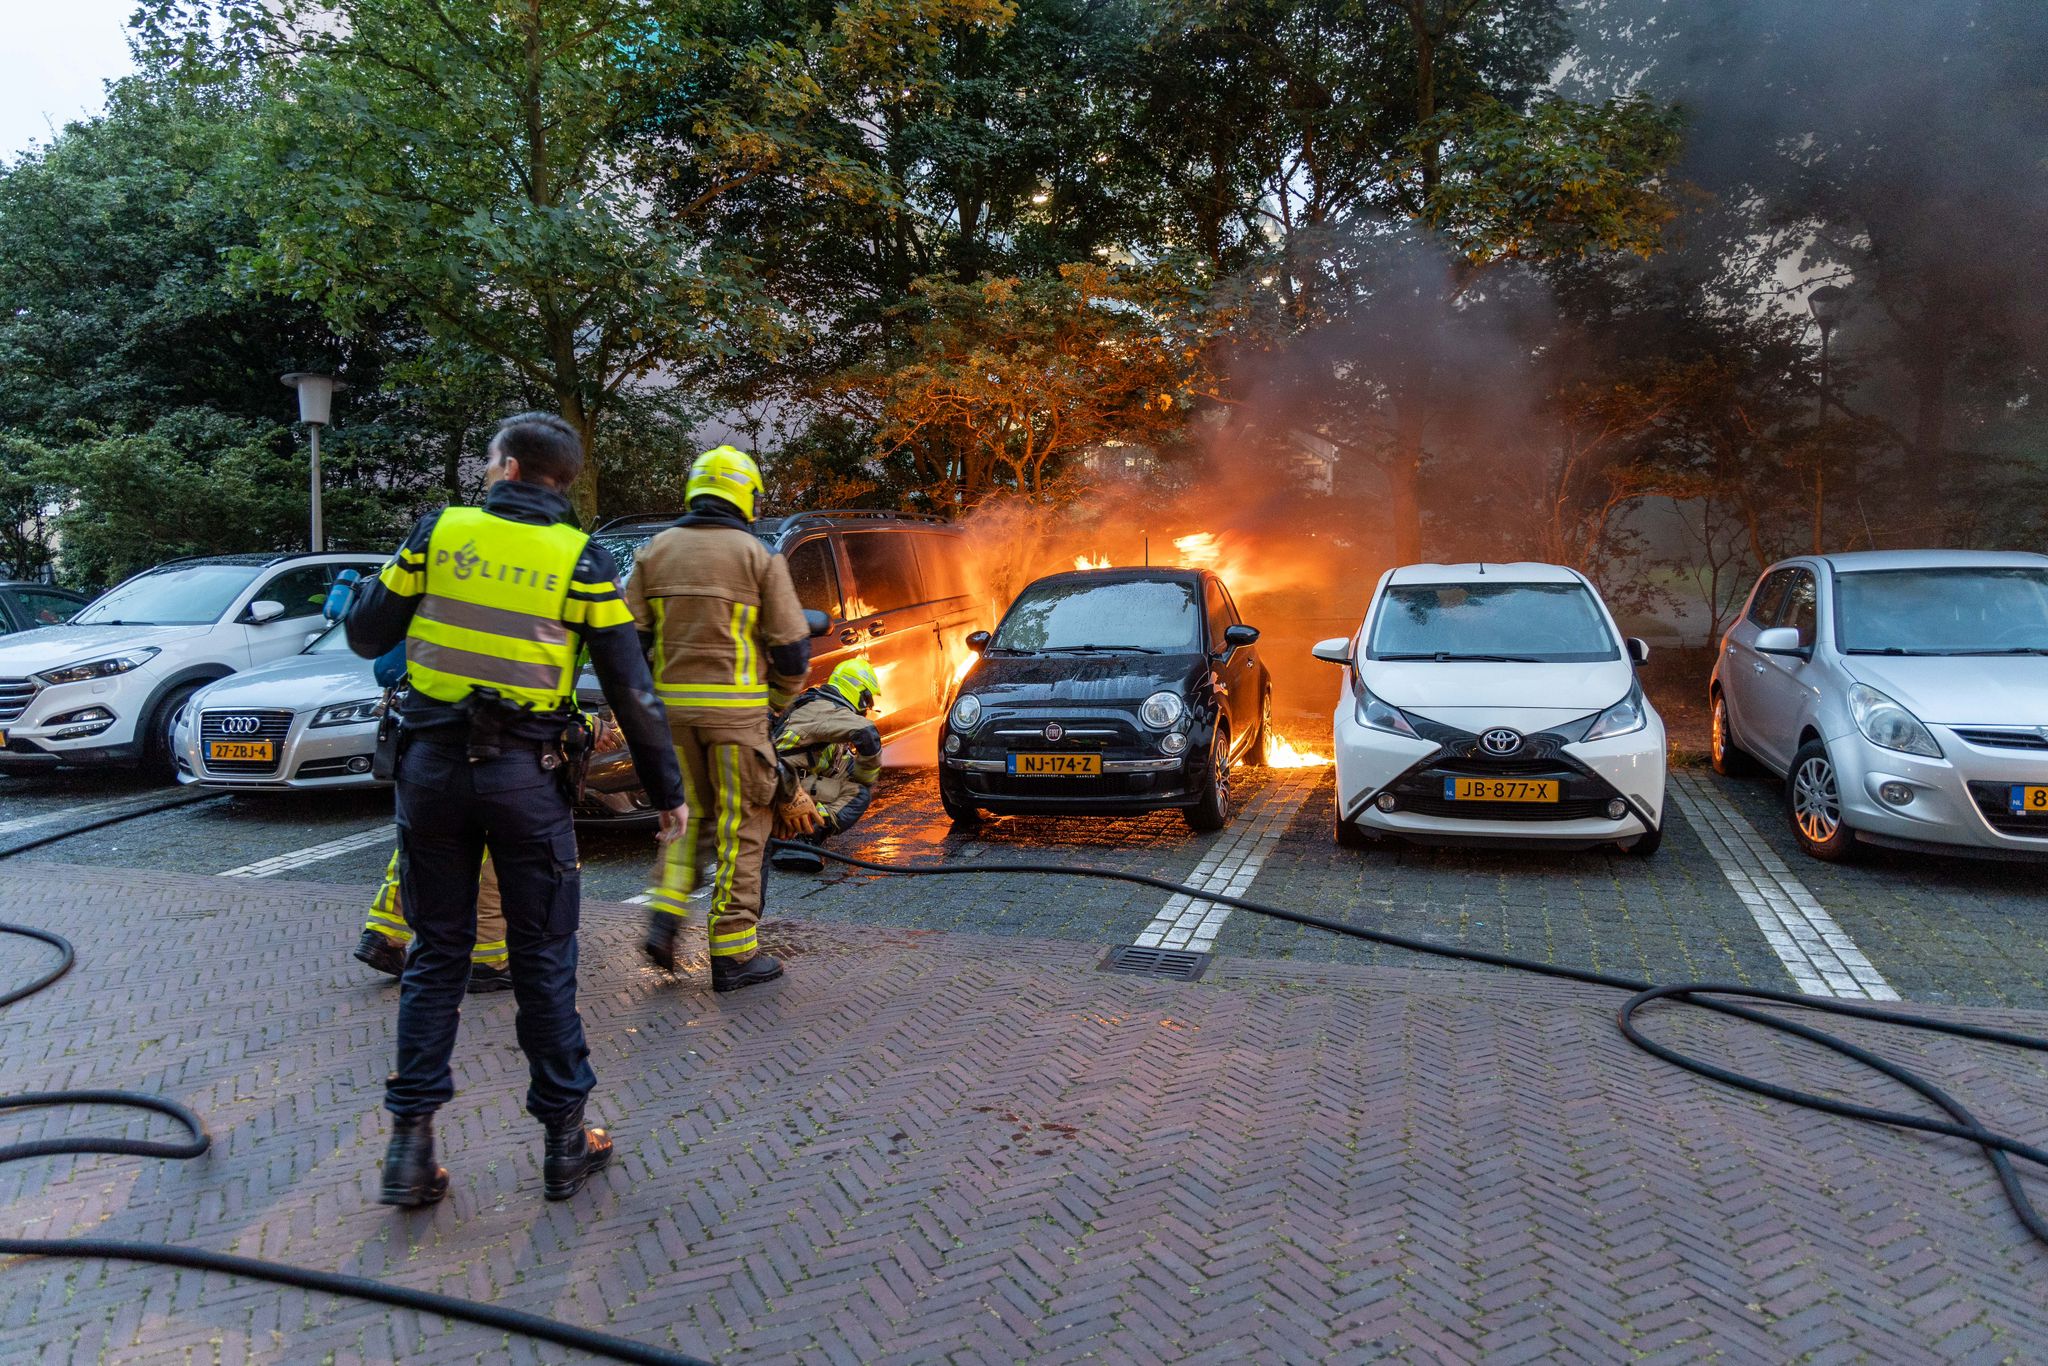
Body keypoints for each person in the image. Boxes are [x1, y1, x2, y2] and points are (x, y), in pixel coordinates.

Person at [344, 412, 686, 1208]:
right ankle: (565, 1144)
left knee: (437, 954)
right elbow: (630, 684)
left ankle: (409, 1149)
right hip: (527, 780)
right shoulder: (582, 559)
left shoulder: (439, 533)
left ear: (504, 468)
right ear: (564, 480)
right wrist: (667, 793)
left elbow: (366, 634)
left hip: (431, 772)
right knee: (543, 958)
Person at [629, 445, 810, 991]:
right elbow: (792, 651)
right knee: (743, 827)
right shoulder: (758, 556)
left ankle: (664, 918)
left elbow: (630, 644)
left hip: (672, 720)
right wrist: (774, 704)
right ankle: (733, 953)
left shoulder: (653, 551)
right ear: (744, 495)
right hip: (738, 722)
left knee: (685, 819)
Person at [351, 641, 512, 992]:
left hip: (428, 741)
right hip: (483, 736)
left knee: (422, 846)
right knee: (488, 849)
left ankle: (383, 933)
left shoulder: (435, 611)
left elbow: (384, 661)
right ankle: (487, 959)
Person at [768, 658, 884, 874]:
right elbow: (868, 734)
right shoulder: (832, 711)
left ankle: (794, 828)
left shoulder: (815, 704)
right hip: (785, 788)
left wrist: (853, 769)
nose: (868, 708)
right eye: (868, 700)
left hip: (777, 781)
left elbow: (833, 761)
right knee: (859, 794)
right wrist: (866, 779)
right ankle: (804, 837)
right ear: (860, 693)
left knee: (850, 771)